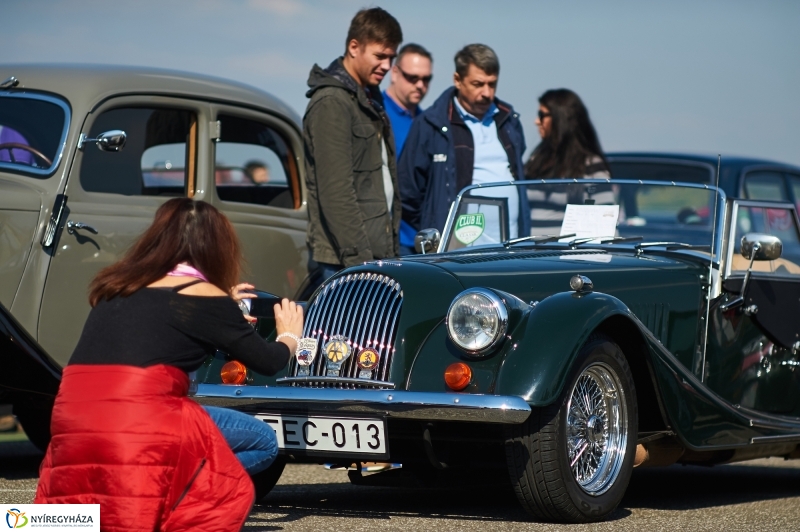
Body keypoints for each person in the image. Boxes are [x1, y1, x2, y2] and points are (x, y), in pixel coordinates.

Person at [34, 198, 304, 531]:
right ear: (216, 246)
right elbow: (268, 361)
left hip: (72, 419)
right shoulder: (205, 297)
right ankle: (173, 501)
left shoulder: (118, 287)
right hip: (140, 418)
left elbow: (159, 329)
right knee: (263, 441)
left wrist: (221, 306)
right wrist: (290, 336)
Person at [303, 7, 403, 285]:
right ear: (354, 47)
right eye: (380, 56)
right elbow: (336, 194)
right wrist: (361, 264)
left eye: (391, 57)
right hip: (344, 263)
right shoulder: (332, 103)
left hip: (376, 256)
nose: (386, 65)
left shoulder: (369, 97)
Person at [399, 43, 528, 244]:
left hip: (510, 251)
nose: (487, 93)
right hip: (458, 256)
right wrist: (438, 227)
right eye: (478, 84)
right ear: (457, 80)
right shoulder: (431, 124)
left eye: (492, 84)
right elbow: (407, 193)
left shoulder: (509, 121)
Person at [525, 88, 612, 234]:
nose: (536, 121)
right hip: (529, 255)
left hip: (568, 255)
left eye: (541, 115)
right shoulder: (535, 161)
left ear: (561, 118)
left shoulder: (591, 166)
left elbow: (605, 220)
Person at [383, 43, 433, 255]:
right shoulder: (377, 114)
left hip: (422, 238)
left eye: (426, 79)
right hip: (388, 237)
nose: (420, 85)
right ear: (395, 73)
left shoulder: (428, 122)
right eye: (412, 78)